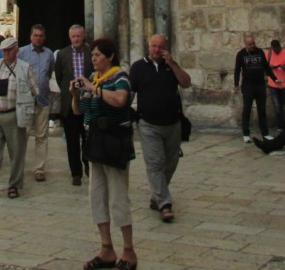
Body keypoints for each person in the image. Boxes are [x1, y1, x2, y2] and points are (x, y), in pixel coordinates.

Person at [73, 37, 137, 270]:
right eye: (92, 55)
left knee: (119, 197)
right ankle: (106, 248)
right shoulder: (93, 78)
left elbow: (121, 100)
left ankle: (128, 251)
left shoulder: (120, 78)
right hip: (95, 143)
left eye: (98, 55)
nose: (94, 59)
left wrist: (94, 89)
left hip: (115, 142)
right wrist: (75, 94)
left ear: (109, 56)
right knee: (97, 196)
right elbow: (78, 110)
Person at [129, 33, 191, 223]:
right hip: (148, 124)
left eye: (160, 47)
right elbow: (130, 93)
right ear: (148, 47)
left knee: (170, 163)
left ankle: (157, 196)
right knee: (155, 163)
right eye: (154, 46)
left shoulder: (171, 66)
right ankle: (165, 204)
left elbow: (186, 83)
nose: (157, 50)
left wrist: (172, 63)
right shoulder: (138, 67)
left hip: (172, 123)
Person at [0, 37, 39, 200]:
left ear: (16, 50)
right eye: (4, 50)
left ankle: (14, 185)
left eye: (9, 50)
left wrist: (25, 106)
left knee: (16, 153)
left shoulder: (25, 67)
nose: (6, 53)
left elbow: (35, 90)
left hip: (14, 115)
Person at [54, 24, 94, 185]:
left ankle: (87, 162)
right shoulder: (62, 54)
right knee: (71, 140)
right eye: (73, 36)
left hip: (88, 100)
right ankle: (75, 173)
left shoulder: (91, 52)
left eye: (79, 36)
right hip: (70, 101)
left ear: (84, 36)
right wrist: (69, 92)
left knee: (88, 136)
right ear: (70, 37)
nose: (76, 39)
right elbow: (59, 77)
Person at [18, 23, 55, 182]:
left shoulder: (49, 54)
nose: (38, 39)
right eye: (35, 36)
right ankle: (18, 166)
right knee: (23, 135)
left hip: (43, 99)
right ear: (30, 36)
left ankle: (39, 168)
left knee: (42, 135)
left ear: (44, 37)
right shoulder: (22, 52)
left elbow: (49, 72)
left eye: (40, 36)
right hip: (26, 100)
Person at [234, 34, 278, 142]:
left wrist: (275, 79)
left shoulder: (260, 52)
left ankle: (265, 133)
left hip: (260, 85)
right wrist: (236, 85)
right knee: (247, 109)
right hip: (248, 86)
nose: (253, 45)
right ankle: (246, 134)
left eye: (253, 43)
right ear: (246, 44)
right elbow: (237, 70)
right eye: (250, 44)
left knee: (262, 110)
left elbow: (266, 67)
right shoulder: (241, 54)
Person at [265, 38, 285, 130]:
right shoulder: (268, 54)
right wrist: (270, 67)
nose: (277, 50)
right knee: (277, 105)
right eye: (275, 49)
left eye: (278, 48)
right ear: (272, 48)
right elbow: (264, 67)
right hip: (273, 83)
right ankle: (281, 125)